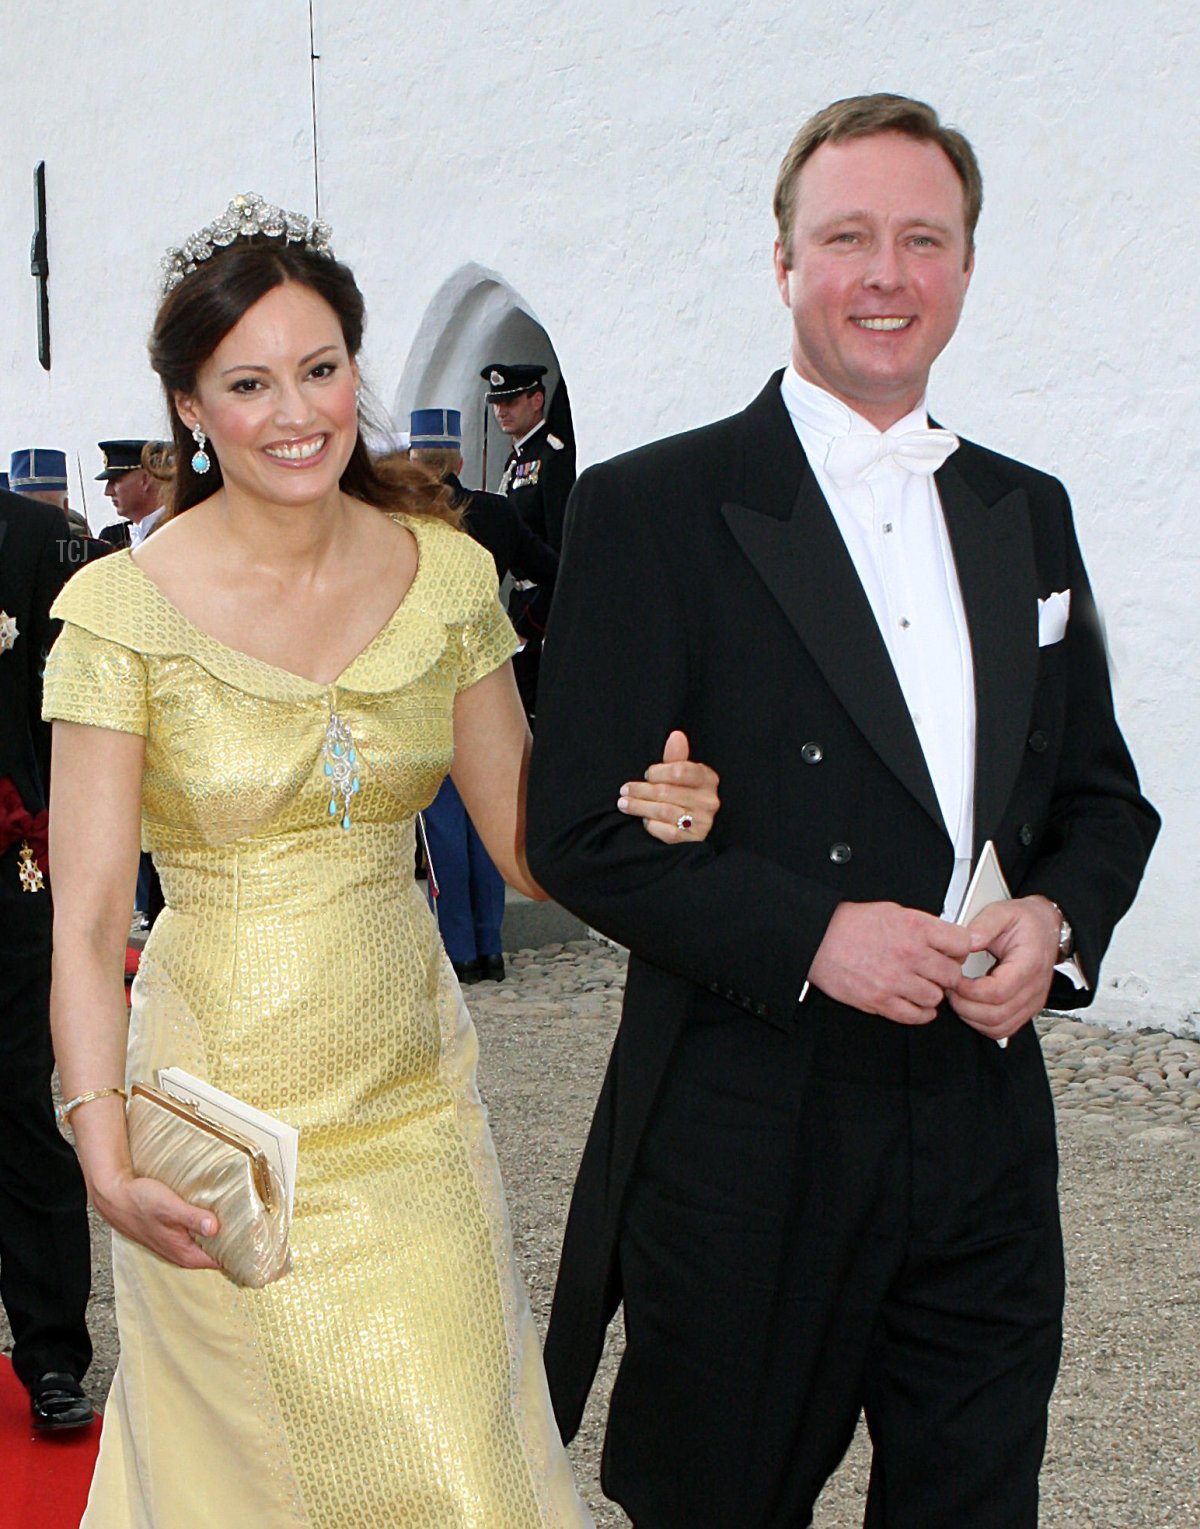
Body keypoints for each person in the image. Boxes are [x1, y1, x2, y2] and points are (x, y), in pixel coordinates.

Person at [526, 93, 1160, 1528]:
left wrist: (1054, 921)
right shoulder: (653, 506)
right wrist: (814, 933)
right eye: (850, 237)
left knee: (974, 1499)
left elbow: (1103, 798)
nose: (887, 274)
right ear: (784, 263)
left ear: (967, 268)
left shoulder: (1025, 510)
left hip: (983, 1124)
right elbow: (577, 831)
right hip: (751, 1121)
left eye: (923, 239)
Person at [42, 192, 720, 1526]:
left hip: (413, 1111)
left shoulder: (445, 575)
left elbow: (529, 852)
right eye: (249, 382)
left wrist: (649, 810)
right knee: (260, 1489)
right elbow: (85, 920)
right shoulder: (120, 614)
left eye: (321, 368)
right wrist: (101, 1149)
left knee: (466, 1475)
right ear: (190, 405)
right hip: (222, 1130)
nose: (296, 412)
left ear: (359, 370)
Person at [0, 484, 94, 1431]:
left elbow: (65, 721)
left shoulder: (31, 538)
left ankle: (51, 1351)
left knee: (18, 1101)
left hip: (6, 870)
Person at [410, 405, 560, 983]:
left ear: (413, 460)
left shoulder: (400, 518)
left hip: (425, 680)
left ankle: (460, 949)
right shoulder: (494, 511)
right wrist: (521, 625)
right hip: (489, 675)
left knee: (444, 817)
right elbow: (554, 570)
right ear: (461, 460)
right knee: (492, 813)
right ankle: (490, 946)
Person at [482, 362, 574, 722]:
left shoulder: (552, 455)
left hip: (540, 607)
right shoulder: (517, 458)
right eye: (497, 403)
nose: (501, 411)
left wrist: (531, 623)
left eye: (512, 401)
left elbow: (560, 548)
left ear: (537, 400)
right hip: (520, 599)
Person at [96, 439, 167, 549]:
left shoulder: (175, 529)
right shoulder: (116, 536)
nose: (108, 492)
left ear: (145, 480)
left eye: (115, 480)